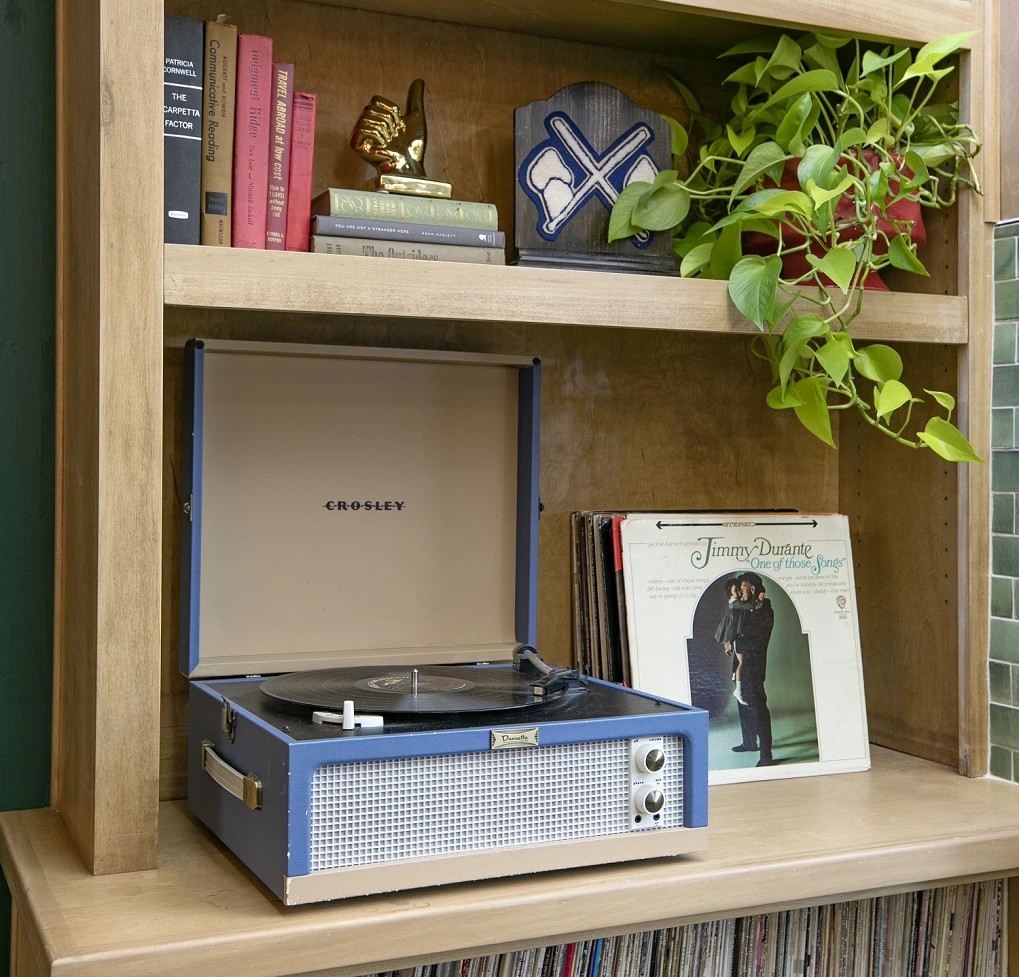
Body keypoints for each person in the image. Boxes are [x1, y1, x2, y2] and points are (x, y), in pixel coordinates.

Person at [731, 571, 777, 767]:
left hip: (753, 665)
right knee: (742, 704)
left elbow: (755, 636)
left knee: (757, 708)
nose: (741, 590)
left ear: (754, 589)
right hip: (740, 663)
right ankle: (749, 742)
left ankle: (766, 755)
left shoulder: (764, 609)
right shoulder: (746, 607)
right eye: (740, 587)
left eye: (744, 587)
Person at [713, 577, 749, 704]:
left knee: (741, 662)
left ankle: (735, 674)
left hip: (736, 638)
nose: (739, 592)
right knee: (742, 663)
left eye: (739, 589)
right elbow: (751, 606)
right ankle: (738, 691)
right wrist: (728, 642)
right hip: (737, 638)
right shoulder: (735, 604)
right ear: (730, 592)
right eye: (736, 590)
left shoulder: (733, 603)